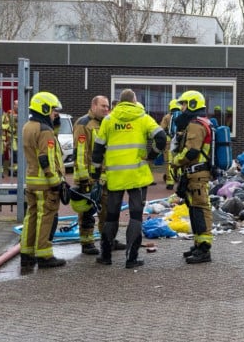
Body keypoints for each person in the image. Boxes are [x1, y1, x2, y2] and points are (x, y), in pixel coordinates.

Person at [91, 88, 166, 268]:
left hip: (115, 175)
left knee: (111, 215)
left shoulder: (109, 120)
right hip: (136, 175)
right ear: (134, 101)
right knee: (135, 216)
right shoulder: (143, 118)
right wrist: (152, 155)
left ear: (119, 102)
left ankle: (106, 255)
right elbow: (162, 138)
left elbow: (98, 148)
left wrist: (95, 173)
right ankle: (131, 259)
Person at [71, 95, 125, 255]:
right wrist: (83, 178)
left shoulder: (106, 123)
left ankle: (108, 240)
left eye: (108, 106)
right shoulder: (84, 124)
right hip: (89, 177)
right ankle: (87, 243)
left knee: (108, 211)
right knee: (87, 212)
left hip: (105, 176)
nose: (106, 109)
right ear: (93, 106)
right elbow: (80, 152)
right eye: (103, 106)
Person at [20, 91, 67, 269]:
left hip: (32, 181)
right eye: (54, 110)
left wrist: (55, 125)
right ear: (44, 108)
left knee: (31, 217)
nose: (56, 114)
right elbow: (46, 157)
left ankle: (26, 253)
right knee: (45, 217)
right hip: (45, 184)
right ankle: (44, 255)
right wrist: (56, 182)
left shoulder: (28, 126)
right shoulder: (45, 130)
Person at [171, 90, 214, 264]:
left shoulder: (196, 125)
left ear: (192, 104)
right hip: (194, 174)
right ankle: (198, 243)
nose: (181, 108)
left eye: (183, 104)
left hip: (197, 174)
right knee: (195, 209)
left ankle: (204, 249)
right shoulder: (198, 123)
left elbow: (192, 151)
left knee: (200, 209)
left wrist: (176, 161)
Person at [159, 99, 182, 186]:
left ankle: (169, 183)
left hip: (169, 142)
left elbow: (161, 129)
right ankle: (179, 177)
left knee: (169, 162)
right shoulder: (183, 116)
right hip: (180, 141)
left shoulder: (167, 117)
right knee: (180, 160)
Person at [3, 99, 19, 177]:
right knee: (14, 152)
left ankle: (15, 169)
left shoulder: (24, 113)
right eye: (16, 105)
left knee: (19, 154)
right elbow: (6, 123)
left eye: (18, 105)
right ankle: (12, 170)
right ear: (13, 105)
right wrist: (11, 129)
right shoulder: (9, 113)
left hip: (21, 136)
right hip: (12, 136)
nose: (17, 106)